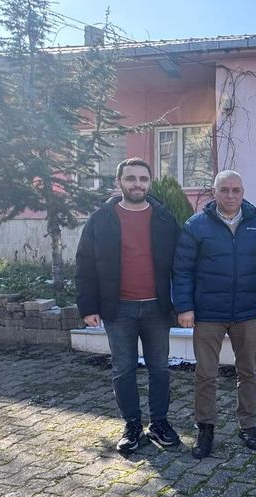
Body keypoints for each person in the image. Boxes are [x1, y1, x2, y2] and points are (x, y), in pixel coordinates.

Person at [75, 158, 181, 455]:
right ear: (119, 182)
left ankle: (159, 422)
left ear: (150, 183)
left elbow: (181, 263)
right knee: (123, 369)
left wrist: (183, 303)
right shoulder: (100, 219)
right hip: (118, 309)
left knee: (160, 368)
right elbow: (85, 264)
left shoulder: (164, 218)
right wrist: (88, 306)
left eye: (143, 179)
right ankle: (132, 425)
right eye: (131, 178)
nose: (137, 184)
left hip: (157, 308)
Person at [173, 170, 256, 459]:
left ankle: (248, 426)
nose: (230, 195)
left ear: (243, 192)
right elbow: (182, 269)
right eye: (224, 190)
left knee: (248, 372)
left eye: (236, 190)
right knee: (205, 374)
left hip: (246, 311)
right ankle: (205, 428)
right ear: (214, 192)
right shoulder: (196, 225)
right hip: (208, 313)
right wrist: (184, 307)